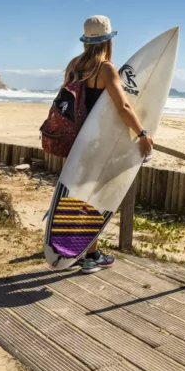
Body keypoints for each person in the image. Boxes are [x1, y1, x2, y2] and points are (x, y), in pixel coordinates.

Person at [61, 15, 153, 274]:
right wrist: (142, 133)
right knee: (94, 199)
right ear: (107, 41)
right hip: (96, 145)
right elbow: (123, 106)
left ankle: (82, 251)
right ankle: (91, 257)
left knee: (79, 198)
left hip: (75, 142)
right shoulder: (105, 69)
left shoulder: (73, 66)